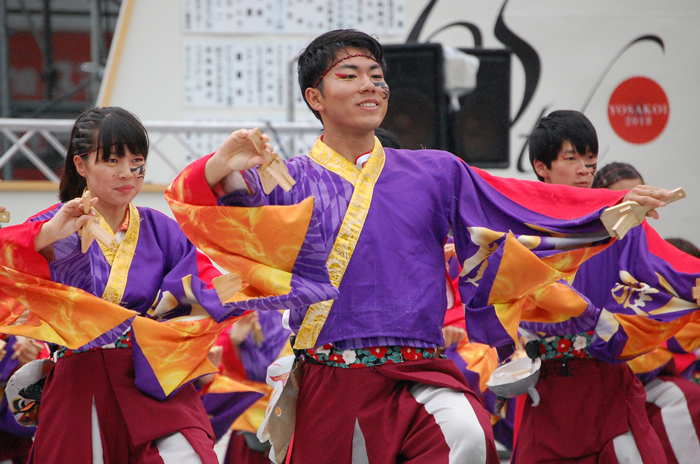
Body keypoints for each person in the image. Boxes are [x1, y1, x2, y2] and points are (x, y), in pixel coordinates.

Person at [166, 31, 675, 464]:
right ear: (315, 97)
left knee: (468, 437)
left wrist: (606, 208)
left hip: (421, 370)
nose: (370, 84)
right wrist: (219, 163)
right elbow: (207, 209)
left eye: (377, 75)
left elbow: (513, 207)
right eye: (350, 74)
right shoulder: (290, 181)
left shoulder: (435, 171)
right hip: (330, 378)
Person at [0, 107, 274, 463]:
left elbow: (202, 284)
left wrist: (249, 282)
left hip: (153, 376)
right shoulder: (54, 226)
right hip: (81, 383)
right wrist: (49, 233)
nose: (127, 173)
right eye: (111, 160)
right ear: (81, 165)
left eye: (136, 161)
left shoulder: (160, 229)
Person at [515, 109, 700, 463]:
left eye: (590, 158)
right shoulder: (520, 224)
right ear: (541, 166)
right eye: (572, 158)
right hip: (544, 386)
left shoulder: (622, 222)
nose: (585, 168)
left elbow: (673, 270)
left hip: (604, 378)